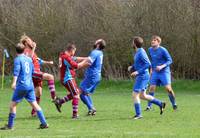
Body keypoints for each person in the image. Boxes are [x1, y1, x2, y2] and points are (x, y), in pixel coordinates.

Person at [0, 43, 48, 130]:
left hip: (22, 85)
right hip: (30, 85)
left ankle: (10, 126)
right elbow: (33, 71)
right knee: (35, 104)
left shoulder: (18, 59)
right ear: (24, 50)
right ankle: (44, 123)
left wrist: (14, 82)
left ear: (16, 51)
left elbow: (16, 71)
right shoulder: (29, 59)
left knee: (12, 105)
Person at [20, 35, 57, 116]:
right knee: (50, 77)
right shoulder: (25, 50)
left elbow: (38, 60)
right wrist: (33, 48)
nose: (31, 41)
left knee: (39, 93)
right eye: (29, 40)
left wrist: (48, 62)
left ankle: (34, 111)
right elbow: (29, 58)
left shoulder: (31, 50)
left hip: (37, 72)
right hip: (33, 72)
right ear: (26, 43)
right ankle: (54, 98)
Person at [130, 36, 166, 119]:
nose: (132, 43)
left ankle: (139, 115)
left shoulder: (141, 52)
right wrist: (132, 67)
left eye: (132, 42)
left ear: (135, 44)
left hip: (143, 76)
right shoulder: (138, 52)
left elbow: (148, 64)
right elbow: (139, 64)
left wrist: (137, 71)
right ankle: (161, 104)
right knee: (143, 96)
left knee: (135, 95)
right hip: (142, 76)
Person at [54, 43, 89, 118]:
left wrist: (86, 58)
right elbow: (76, 66)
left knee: (76, 93)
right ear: (72, 50)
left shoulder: (63, 55)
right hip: (68, 78)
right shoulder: (66, 57)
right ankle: (75, 115)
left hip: (66, 78)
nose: (74, 53)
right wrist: (85, 62)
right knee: (76, 95)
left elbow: (75, 58)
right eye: (74, 51)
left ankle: (59, 101)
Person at [145, 35, 177, 111]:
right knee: (151, 88)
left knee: (168, 89)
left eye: (154, 40)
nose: (152, 41)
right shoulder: (150, 50)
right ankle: (149, 106)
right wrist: (151, 70)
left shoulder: (163, 50)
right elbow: (152, 60)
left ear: (158, 42)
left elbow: (170, 60)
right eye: (152, 40)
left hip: (164, 72)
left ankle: (174, 104)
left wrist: (162, 66)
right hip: (155, 72)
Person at [79, 39, 106, 116]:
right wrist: (76, 59)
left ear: (98, 44)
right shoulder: (100, 53)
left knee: (81, 92)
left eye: (96, 41)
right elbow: (88, 59)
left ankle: (91, 108)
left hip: (92, 75)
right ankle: (91, 109)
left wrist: (77, 66)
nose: (95, 41)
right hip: (97, 76)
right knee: (86, 93)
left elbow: (89, 62)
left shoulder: (95, 52)